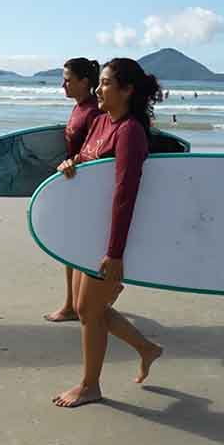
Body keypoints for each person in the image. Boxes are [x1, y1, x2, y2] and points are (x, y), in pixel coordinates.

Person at [51, 58, 164, 408]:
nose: (98, 90)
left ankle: (90, 385)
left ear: (127, 90)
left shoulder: (130, 131)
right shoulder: (100, 121)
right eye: (98, 83)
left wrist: (115, 253)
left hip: (111, 239)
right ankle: (147, 348)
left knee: (89, 309)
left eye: (105, 83)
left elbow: (124, 194)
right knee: (89, 310)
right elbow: (87, 165)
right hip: (90, 232)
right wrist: (71, 166)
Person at [45, 58, 104, 323]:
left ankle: (77, 303)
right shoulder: (79, 107)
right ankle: (74, 301)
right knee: (71, 246)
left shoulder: (93, 111)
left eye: (68, 79)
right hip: (74, 181)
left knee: (76, 246)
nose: (63, 84)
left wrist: (75, 163)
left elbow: (95, 149)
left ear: (85, 82)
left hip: (85, 184)